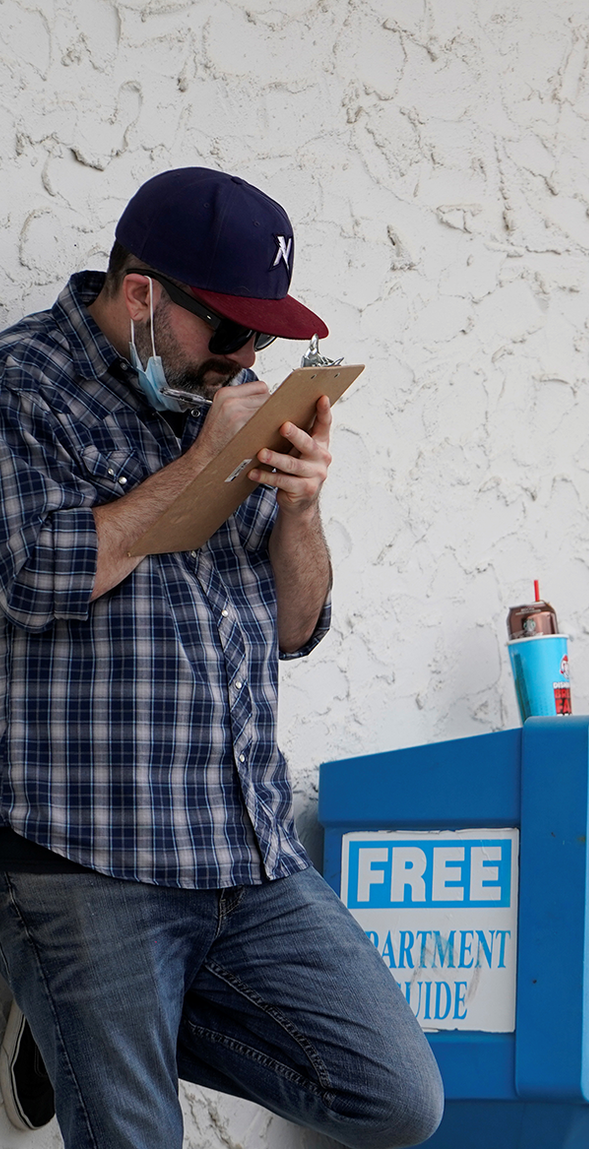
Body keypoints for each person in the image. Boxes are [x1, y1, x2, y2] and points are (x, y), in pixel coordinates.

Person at [0, 168, 443, 1147]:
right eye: (228, 329)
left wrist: (301, 507)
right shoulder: (23, 384)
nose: (247, 355)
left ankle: (67, 1011)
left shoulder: (233, 394)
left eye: (265, 336)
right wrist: (203, 461)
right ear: (141, 293)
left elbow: (295, 625)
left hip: (243, 844)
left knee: (395, 1093)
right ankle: (68, 988)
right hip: (89, 851)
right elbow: (33, 574)